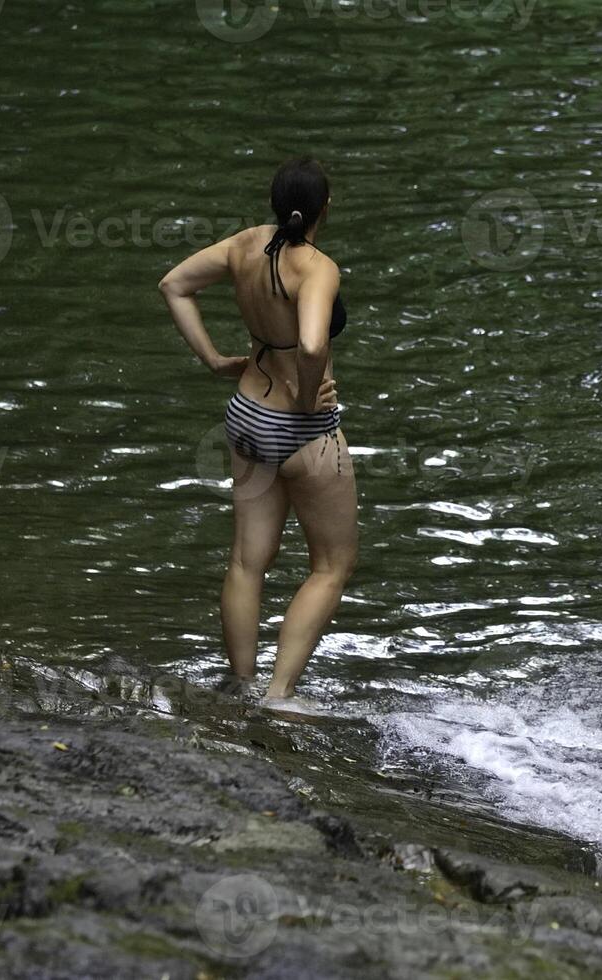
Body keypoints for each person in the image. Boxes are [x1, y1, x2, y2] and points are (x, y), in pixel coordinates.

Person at [158, 156, 357, 700]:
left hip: (246, 414)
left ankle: (238, 686)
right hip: (302, 429)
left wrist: (215, 360)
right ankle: (278, 696)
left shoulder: (246, 243)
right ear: (325, 208)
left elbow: (174, 285)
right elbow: (313, 343)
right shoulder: (317, 267)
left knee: (247, 560)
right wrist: (306, 397)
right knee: (331, 566)